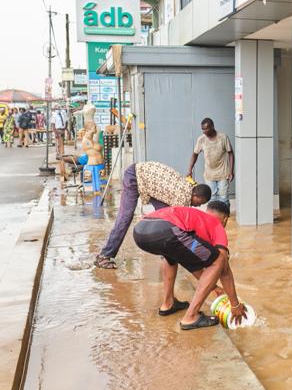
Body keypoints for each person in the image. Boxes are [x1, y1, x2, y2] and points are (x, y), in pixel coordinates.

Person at [132, 201, 247, 330]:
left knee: (172, 254)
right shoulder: (216, 224)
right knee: (218, 260)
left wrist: (214, 288)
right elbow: (223, 266)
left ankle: (168, 303)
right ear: (225, 219)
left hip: (140, 231)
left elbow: (193, 262)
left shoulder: (196, 218)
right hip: (167, 230)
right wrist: (235, 305)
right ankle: (191, 317)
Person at [95, 161, 213, 269]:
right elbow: (183, 227)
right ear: (197, 196)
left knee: (164, 217)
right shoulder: (182, 198)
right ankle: (104, 256)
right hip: (135, 176)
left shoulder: (187, 187)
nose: (198, 206)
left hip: (148, 182)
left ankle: (167, 252)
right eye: (200, 203)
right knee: (125, 218)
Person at [187, 117, 234, 203]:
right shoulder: (201, 139)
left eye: (206, 129)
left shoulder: (223, 137)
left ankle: (224, 215)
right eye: (203, 129)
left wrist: (231, 171)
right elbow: (195, 155)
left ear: (212, 126)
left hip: (223, 173)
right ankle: (214, 216)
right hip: (209, 175)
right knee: (212, 198)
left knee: (223, 198)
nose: (204, 131)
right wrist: (190, 169)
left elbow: (230, 153)